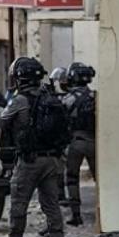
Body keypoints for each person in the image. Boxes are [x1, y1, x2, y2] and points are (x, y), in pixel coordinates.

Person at [0, 57, 66, 237]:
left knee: (19, 201)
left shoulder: (20, 100)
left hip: (30, 161)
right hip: (53, 160)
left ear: (20, 78)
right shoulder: (50, 97)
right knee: (51, 204)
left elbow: (1, 122)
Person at [62, 62, 97, 226]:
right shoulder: (95, 96)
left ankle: (76, 214)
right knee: (99, 178)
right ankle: (103, 211)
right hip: (93, 141)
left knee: (72, 178)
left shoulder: (68, 99)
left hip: (76, 142)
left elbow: (62, 120)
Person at [48, 66, 70, 206]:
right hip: (61, 138)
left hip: (64, 137)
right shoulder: (54, 99)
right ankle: (60, 195)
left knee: (61, 170)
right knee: (59, 170)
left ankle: (60, 195)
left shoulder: (64, 98)